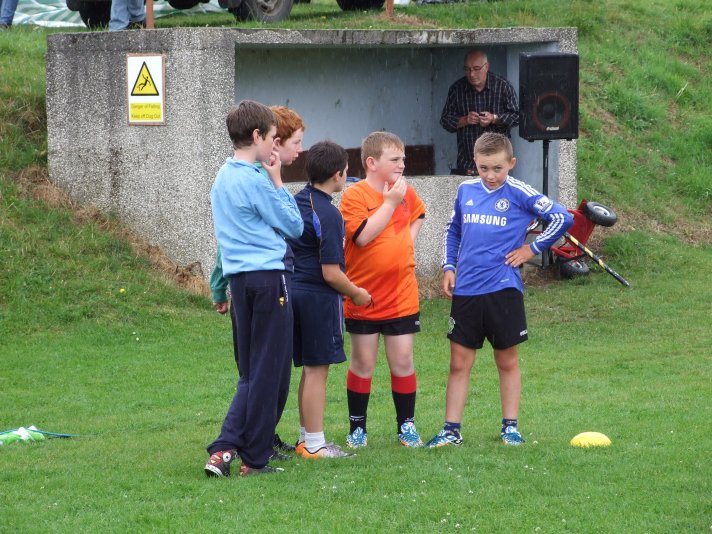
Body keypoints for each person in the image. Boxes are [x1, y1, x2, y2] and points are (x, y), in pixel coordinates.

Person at [425, 132, 573, 448]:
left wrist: (532, 249)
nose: (490, 175)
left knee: (506, 361)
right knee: (458, 363)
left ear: (511, 163)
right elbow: (453, 230)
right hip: (466, 290)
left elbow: (562, 217)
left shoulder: (519, 192)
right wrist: (449, 267)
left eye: (497, 168)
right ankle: (451, 430)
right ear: (474, 164)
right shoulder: (465, 190)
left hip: (503, 289)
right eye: (483, 168)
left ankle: (510, 428)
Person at [204, 100, 303, 477]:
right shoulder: (255, 179)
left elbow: (223, 240)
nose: (275, 146)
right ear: (257, 135)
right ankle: (248, 456)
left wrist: (219, 288)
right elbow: (294, 226)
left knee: (250, 371)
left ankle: (230, 450)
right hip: (268, 279)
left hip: (239, 283)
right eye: (273, 138)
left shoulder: (222, 176)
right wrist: (277, 181)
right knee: (266, 371)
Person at [339, 131, 426, 449]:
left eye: (403, 158)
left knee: (402, 360)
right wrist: (389, 203)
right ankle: (357, 428)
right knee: (363, 362)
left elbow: (419, 214)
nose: (402, 164)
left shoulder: (406, 191)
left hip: (402, 295)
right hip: (364, 296)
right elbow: (362, 237)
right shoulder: (355, 196)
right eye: (395, 159)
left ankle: (406, 426)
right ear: (372, 163)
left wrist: (406, 243)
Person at [287, 141, 372, 459]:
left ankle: (305, 438)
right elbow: (332, 273)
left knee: (309, 368)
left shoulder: (296, 201)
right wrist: (357, 294)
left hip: (292, 293)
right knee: (317, 370)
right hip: (318, 299)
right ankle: (314, 445)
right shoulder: (330, 214)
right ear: (338, 175)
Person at [440, 49, 519, 176]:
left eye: (476, 69)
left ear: (486, 67)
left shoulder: (503, 86)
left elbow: (517, 117)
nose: (472, 74)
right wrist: (465, 120)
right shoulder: (457, 89)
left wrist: (494, 118)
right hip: (467, 163)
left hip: (497, 161)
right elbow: (445, 120)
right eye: (467, 69)